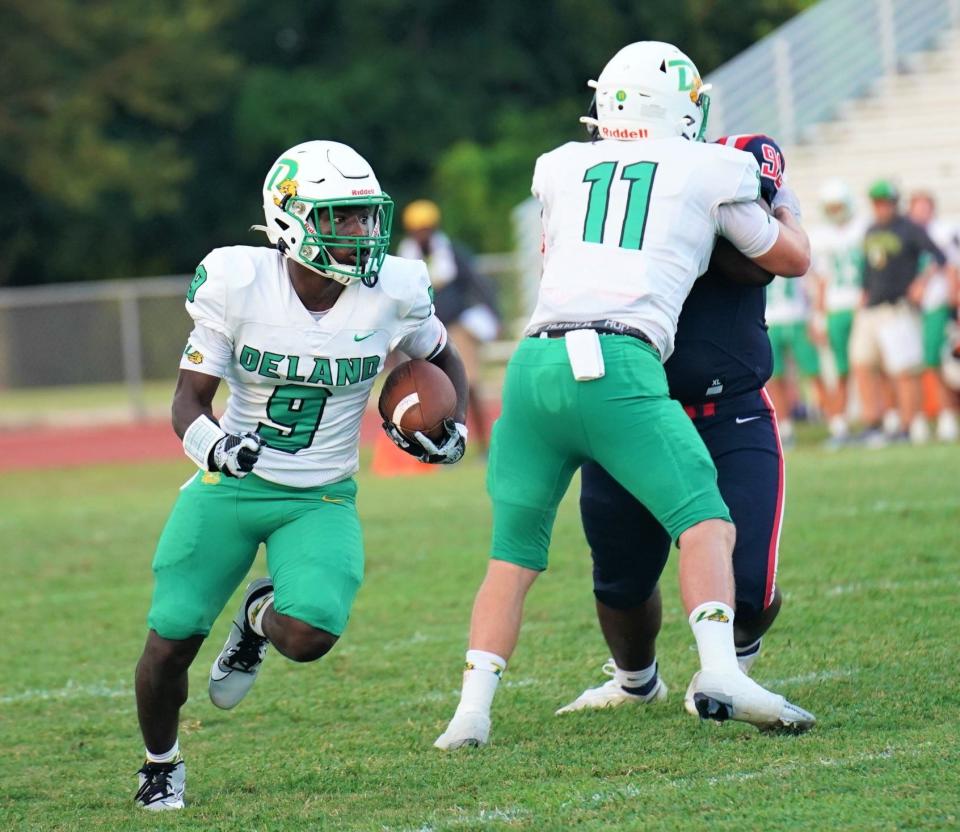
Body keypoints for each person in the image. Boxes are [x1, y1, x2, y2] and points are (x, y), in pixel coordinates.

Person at [433, 41, 814, 751]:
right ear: (682, 108)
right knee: (705, 520)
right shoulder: (714, 165)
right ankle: (722, 674)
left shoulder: (558, 165)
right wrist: (779, 198)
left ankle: (469, 714)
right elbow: (790, 258)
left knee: (512, 554)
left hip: (533, 362)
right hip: (617, 360)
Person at [133, 140, 468, 811]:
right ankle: (160, 763)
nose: (360, 232)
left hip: (320, 494)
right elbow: (186, 402)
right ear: (288, 218)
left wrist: (447, 430)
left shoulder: (393, 293)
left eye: (365, 216)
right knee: (169, 643)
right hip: (230, 486)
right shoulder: (237, 282)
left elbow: (443, 362)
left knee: (312, 632)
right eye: (340, 217)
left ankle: (257, 618)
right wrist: (216, 446)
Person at [559, 134, 802, 716]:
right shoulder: (602, 193)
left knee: (751, 590)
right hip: (634, 409)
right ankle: (635, 681)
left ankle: (730, 667)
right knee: (620, 581)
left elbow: (780, 258)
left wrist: (775, 206)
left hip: (730, 409)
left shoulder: (728, 170)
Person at [398, 200, 501, 450]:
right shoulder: (403, 259)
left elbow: (477, 282)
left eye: (426, 228)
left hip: (455, 328)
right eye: (417, 229)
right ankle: (439, 445)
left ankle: (483, 445)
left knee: (468, 383)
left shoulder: (453, 252)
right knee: (429, 391)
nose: (422, 234)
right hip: (420, 332)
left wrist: (495, 315)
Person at [850, 180, 946, 446]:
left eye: (885, 201)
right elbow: (868, 269)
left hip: (897, 306)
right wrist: (863, 293)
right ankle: (874, 421)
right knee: (862, 362)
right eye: (877, 202)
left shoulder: (909, 228)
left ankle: (908, 423)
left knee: (903, 369)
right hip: (872, 307)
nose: (881, 207)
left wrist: (921, 283)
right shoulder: (870, 230)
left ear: (894, 202)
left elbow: (938, 256)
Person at [809, 180, 866, 447]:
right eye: (831, 207)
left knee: (869, 366)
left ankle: (883, 419)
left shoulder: (863, 229)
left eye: (838, 206)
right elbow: (822, 279)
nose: (835, 211)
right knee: (840, 370)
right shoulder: (821, 237)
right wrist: (819, 316)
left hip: (862, 305)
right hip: (836, 309)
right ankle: (839, 424)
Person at [906, 191, 959, 442]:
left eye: (925, 208)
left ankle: (947, 415)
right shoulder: (907, 234)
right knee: (915, 364)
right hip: (912, 308)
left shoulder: (941, 232)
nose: (921, 214)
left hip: (936, 304)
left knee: (936, 362)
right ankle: (919, 417)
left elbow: (950, 265)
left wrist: (952, 298)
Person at [764, 273, 823, 446]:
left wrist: (815, 315)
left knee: (813, 370)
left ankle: (831, 418)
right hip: (770, 319)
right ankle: (785, 426)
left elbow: (813, 278)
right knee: (775, 376)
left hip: (798, 317)